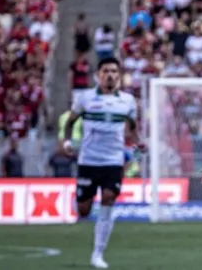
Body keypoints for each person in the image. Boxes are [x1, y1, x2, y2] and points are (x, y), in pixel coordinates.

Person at [61, 57, 145, 269]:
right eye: (106, 71)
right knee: (83, 210)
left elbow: (133, 130)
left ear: (119, 75)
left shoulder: (127, 101)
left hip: (113, 161)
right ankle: (82, 199)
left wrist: (137, 149)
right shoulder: (85, 98)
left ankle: (98, 254)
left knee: (108, 198)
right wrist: (68, 141)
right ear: (98, 75)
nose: (110, 75)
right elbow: (70, 122)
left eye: (114, 71)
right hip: (88, 160)